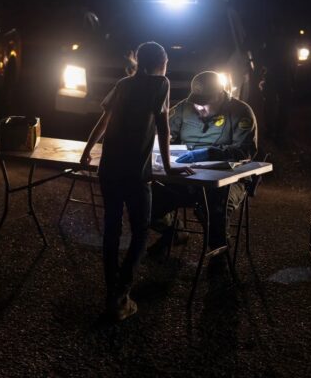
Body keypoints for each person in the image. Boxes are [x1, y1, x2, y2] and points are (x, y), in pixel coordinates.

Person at [80, 41, 193, 321]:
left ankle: (112, 294)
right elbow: (163, 128)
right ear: (161, 62)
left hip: (109, 169)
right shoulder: (160, 84)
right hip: (135, 172)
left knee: (112, 229)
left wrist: (86, 152)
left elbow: (104, 121)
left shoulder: (124, 84)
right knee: (141, 231)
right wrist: (169, 166)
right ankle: (122, 293)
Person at [150, 70, 258, 253]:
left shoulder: (240, 111)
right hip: (188, 175)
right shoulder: (184, 108)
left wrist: (209, 153)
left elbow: (246, 150)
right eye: (197, 103)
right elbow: (161, 135)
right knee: (147, 197)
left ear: (221, 95)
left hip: (230, 177)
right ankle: (174, 233)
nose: (200, 108)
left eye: (205, 103)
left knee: (215, 207)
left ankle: (219, 256)